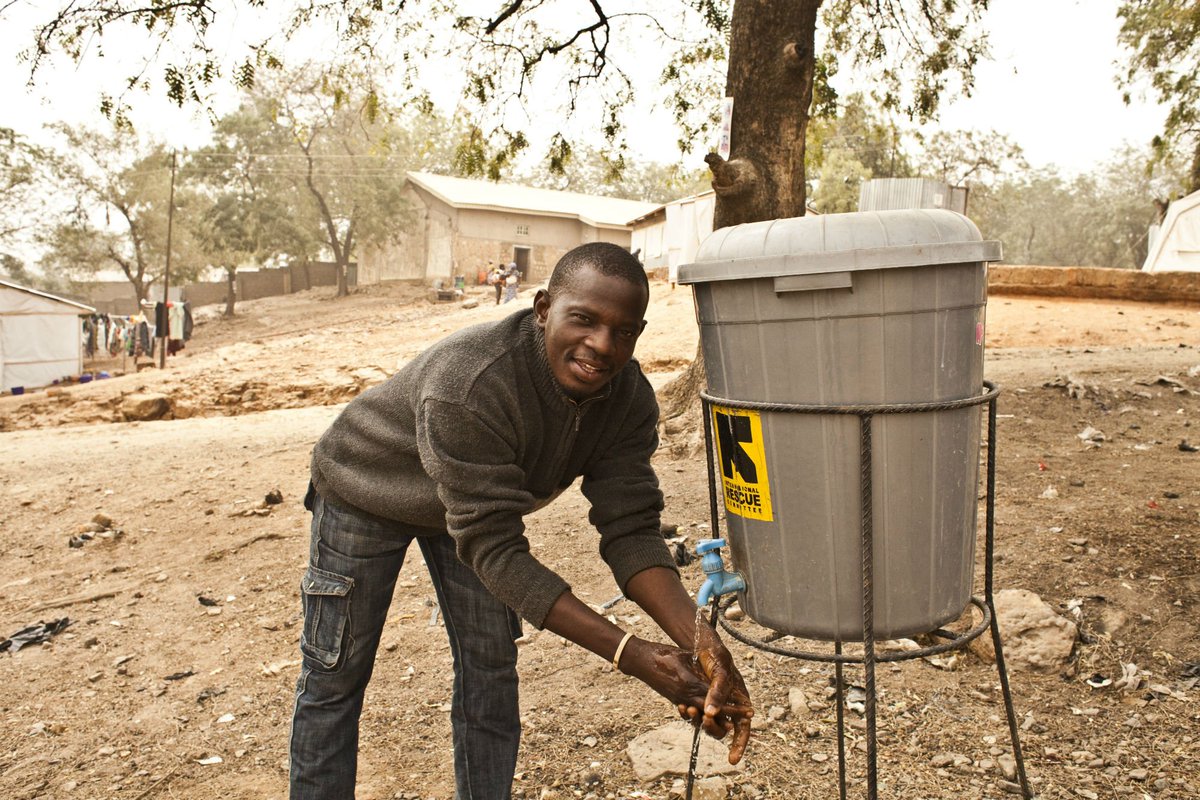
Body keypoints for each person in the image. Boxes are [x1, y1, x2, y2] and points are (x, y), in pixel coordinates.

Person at [289, 242, 752, 799]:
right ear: (541, 309)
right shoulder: (472, 385)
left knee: (490, 668)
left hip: (476, 509)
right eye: (583, 319)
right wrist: (635, 657)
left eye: (623, 331)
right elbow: (497, 552)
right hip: (366, 490)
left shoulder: (627, 399)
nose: (602, 346)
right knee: (335, 677)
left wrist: (701, 641)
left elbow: (630, 530)